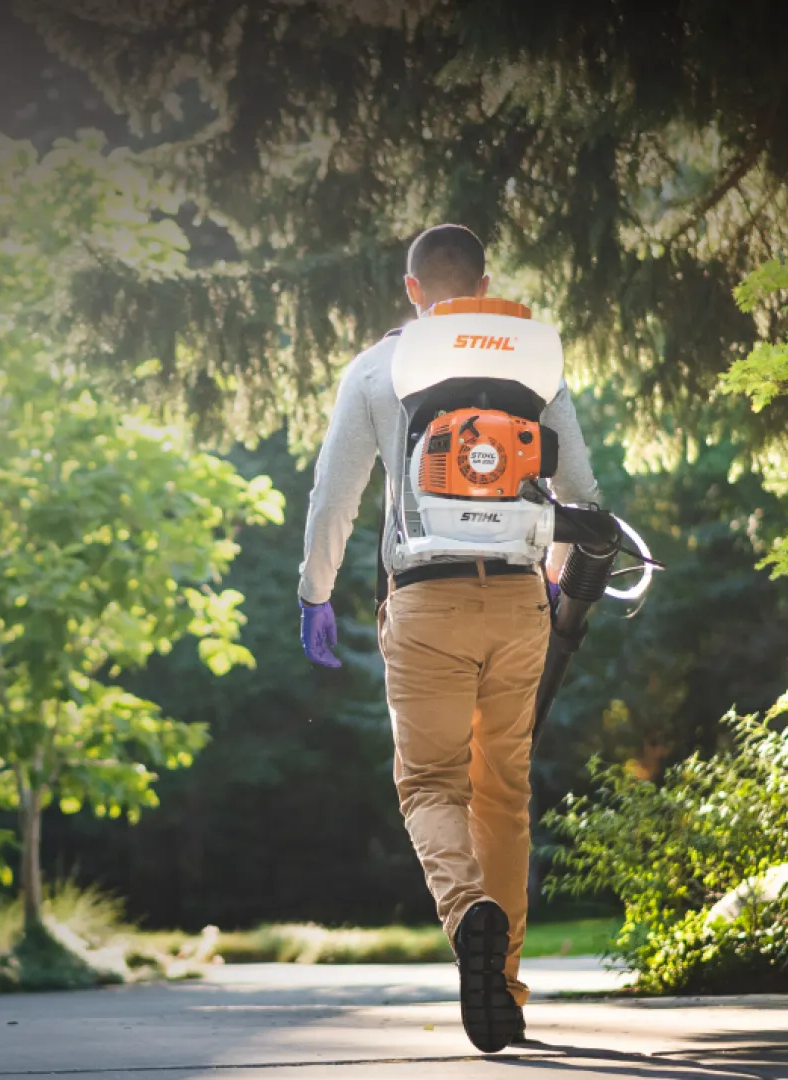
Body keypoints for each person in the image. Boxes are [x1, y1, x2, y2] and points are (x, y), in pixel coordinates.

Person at [296, 224, 601, 1052]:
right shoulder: (535, 367)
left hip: (424, 601)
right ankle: (502, 981)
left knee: (431, 783)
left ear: (412, 289)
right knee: (502, 793)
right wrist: (549, 581)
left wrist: (315, 594)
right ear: (483, 282)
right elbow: (583, 494)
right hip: (517, 599)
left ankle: (469, 915)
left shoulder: (373, 368)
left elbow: (335, 498)